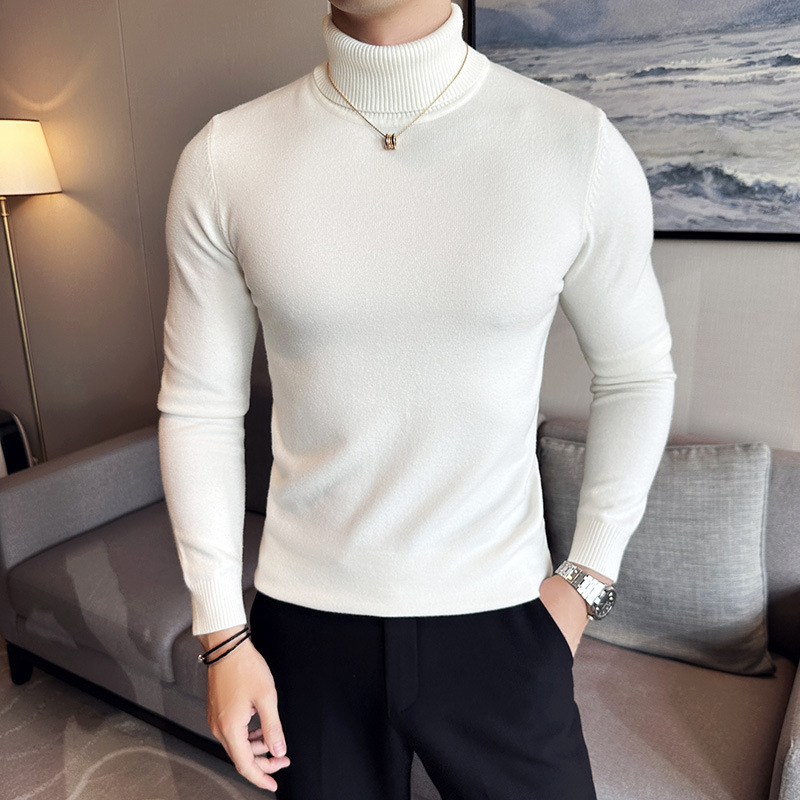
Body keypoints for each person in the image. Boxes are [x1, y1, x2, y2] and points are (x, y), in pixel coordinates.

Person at [156, 0, 677, 797]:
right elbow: (200, 405)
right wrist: (221, 633)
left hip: (504, 620)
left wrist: (587, 583)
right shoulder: (227, 158)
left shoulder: (574, 145)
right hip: (307, 626)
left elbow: (637, 373)